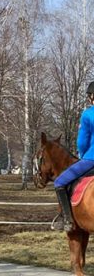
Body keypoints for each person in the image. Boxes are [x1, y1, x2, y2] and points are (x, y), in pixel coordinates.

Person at [52, 81, 94, 231]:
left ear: (92, 97)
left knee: (59, 182)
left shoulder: (88, 114)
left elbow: (83, 141)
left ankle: (67, 220)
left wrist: (82, 155)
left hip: (91, 159)